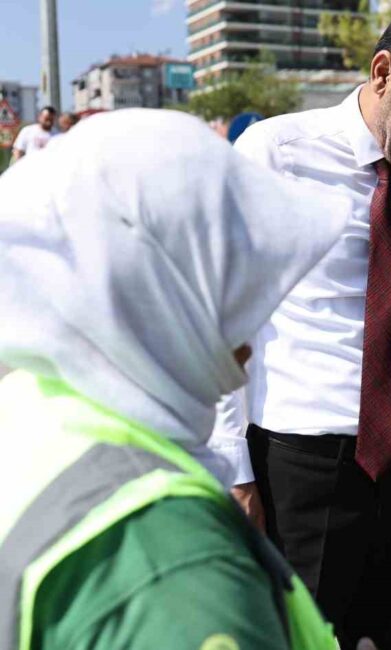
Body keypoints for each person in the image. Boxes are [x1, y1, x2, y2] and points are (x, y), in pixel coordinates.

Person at [208, 1, 391, 647]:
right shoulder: (273, 154)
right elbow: (225, 321)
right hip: (300, 469)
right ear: (383, 72)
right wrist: (233, 470)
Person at [0, 109, 354, 649]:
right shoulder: (179, 570)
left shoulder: (33, 402)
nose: (255, 334)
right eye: (233, 287)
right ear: (158, 295)